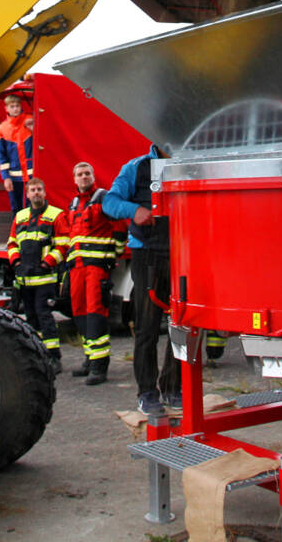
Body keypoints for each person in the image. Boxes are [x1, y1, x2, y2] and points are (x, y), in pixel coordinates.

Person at [103, 143, 179, 417]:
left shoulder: (188, 164)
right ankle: (147, 393)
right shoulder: (135, 168)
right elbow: (109, 202)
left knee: (181, 326)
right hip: (147, 254)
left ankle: (174, 388)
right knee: (147, 329)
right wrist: (133, 211)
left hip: (182, 254)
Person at [65, 162, 127, 386]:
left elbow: (120, 226)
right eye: (79, 174)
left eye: (87, 173)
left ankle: (100, 366)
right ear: (74, 179)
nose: (84, 177)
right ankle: (90, 358)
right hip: (77, 268)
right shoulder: (73, 203)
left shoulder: (103, 197)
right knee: (79, 313)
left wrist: (116, 254)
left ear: (93, 176)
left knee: (95, 313)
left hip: (97, 267)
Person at [7, 177, 67, 374]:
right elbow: (12, 243)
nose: (36, 193)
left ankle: (54, 357)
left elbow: (63, 244)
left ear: (44, 192)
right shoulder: (20, 216)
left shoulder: (55, 215)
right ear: (27, 194)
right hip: (25, 279)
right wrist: (16, 262)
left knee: (45, 316)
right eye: (32, 190)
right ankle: (36, 355)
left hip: (45, 279)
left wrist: (47, 263)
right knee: (30, 318)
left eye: (39, 189)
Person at [0, 93, 34, 214]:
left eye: (17, 105)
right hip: (14, 178)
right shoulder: (2, 128)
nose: (15, 108)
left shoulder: (30, 120)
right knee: (16, 209)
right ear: (6, 108)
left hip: (33, 176)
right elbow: (2, 156)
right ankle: (17, 232)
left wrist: (34, 128)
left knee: (33, 208)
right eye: (12, 106)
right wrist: (6, 178)